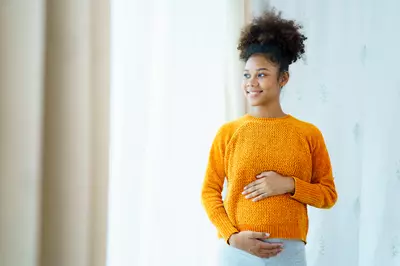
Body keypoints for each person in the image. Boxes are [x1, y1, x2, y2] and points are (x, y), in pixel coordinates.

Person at [201, 9, 338, 266]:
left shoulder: (308, 134)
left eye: (261, 74)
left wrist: (289, 184)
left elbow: (328, 194)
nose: (252, 82)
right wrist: (232, 237)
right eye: (247, 75)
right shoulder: (228, 133)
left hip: (288, 255)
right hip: (237, 252)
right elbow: (209, 191)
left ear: (283, 78)